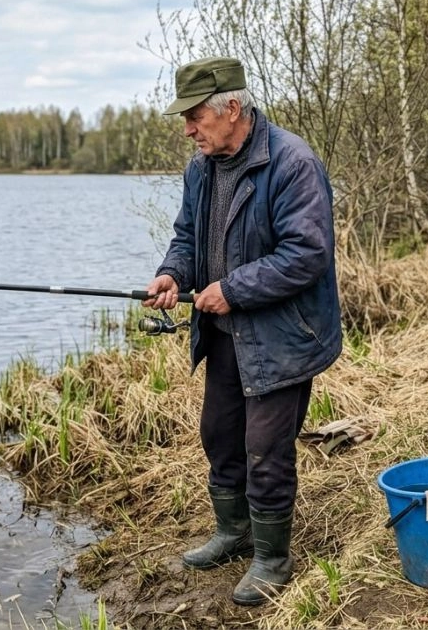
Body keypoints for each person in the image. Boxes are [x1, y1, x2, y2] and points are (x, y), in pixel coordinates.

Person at [143, 56, 342, 606]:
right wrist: (172, 274)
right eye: (184, 118)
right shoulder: (199, 167)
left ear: (232, 108)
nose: (187, 129)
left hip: (284, 335)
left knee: (266, 448)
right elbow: (188, 236)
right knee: (219, 434)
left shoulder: (293, 163)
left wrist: (232, 289)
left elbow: (307, 254)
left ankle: (273, 557)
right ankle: (234, 533)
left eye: (195, 116)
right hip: (225, 335)